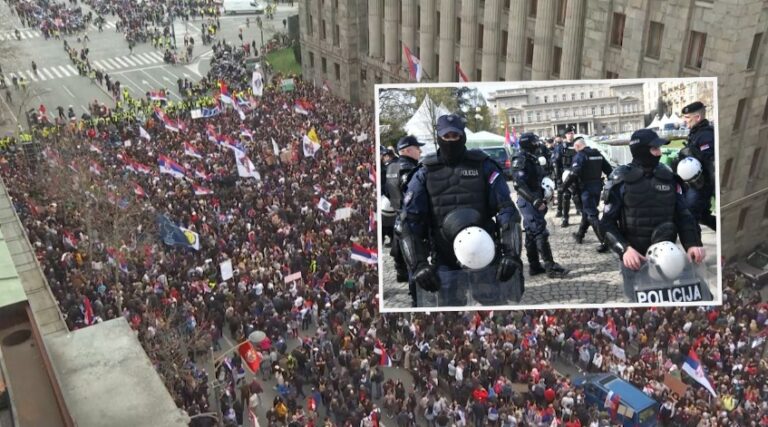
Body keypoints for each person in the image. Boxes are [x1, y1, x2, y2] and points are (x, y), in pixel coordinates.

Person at [400, 114, 524, 307]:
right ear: (439, 137)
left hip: (485, 253)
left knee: (496, 307)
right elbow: (409, 222)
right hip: (444, 258)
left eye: (455, 136)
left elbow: (507, 210)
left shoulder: (484, 165)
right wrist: (418, 264)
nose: (450, 140)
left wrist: (511, 252)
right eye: (446, 136)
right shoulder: (424, 172)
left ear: (463, 136)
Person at [600, 129, 706, 301]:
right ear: (641, 150)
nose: (659, 152)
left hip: (667, 258)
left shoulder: (668, 177)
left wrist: (692, 243)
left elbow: (683, 215)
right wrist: (624, 249)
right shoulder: (621, 179)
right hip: (635, 259)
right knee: (636, 302)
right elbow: (606, 223)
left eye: (659, 148)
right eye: (655, 148)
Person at [511, 132, 570, 279]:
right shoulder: (520, 158)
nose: (538, 145)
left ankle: (535, 266)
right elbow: (518, 184)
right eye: (535, 142)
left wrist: (545, 194)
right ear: (528, 143)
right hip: (528, 200)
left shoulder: (532, 157)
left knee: (531, 233)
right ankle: (551, 267)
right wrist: (534, 200)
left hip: (536, 197)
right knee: (540, 232)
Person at [384, 135, 423, 288]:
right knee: (415, 264)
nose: (420, 151)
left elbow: (387, 191)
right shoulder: (411, 169)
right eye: (417, 148)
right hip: (412, 223)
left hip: (398, 218)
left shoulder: (391, 167)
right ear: (407, 150)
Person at [562, 137, 613, 252]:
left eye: (575, 148)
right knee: (587, 211)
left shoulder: (580, 155)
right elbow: (609, 170)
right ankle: (580, 235)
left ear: (578, 146)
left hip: (586, 189)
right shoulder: (597, 154)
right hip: (597, 187)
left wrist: (563, 187)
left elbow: (574, 174)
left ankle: (604, 242)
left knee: (591, 215)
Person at [676, 101, 716, 231]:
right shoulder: (696, 133)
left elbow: (710, 161)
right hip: (695, 183)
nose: (684, 121)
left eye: (687, 118)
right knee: (703, 216)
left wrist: (692, 153)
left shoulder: (706, 135)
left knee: (689, 216)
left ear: (698, 117)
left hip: (702, 184)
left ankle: (695, 246)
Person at [553, 127, 582, 226]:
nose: (571, 135)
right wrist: (558, 178)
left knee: (578, 194)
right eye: (569, 133)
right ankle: (565, 218)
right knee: (566, 196)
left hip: (577, 173)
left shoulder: (577, 145)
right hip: (565, 174)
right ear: (565, 135)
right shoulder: (561, 147)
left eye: (572, 133)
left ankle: (580, 210)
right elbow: (557, 163)